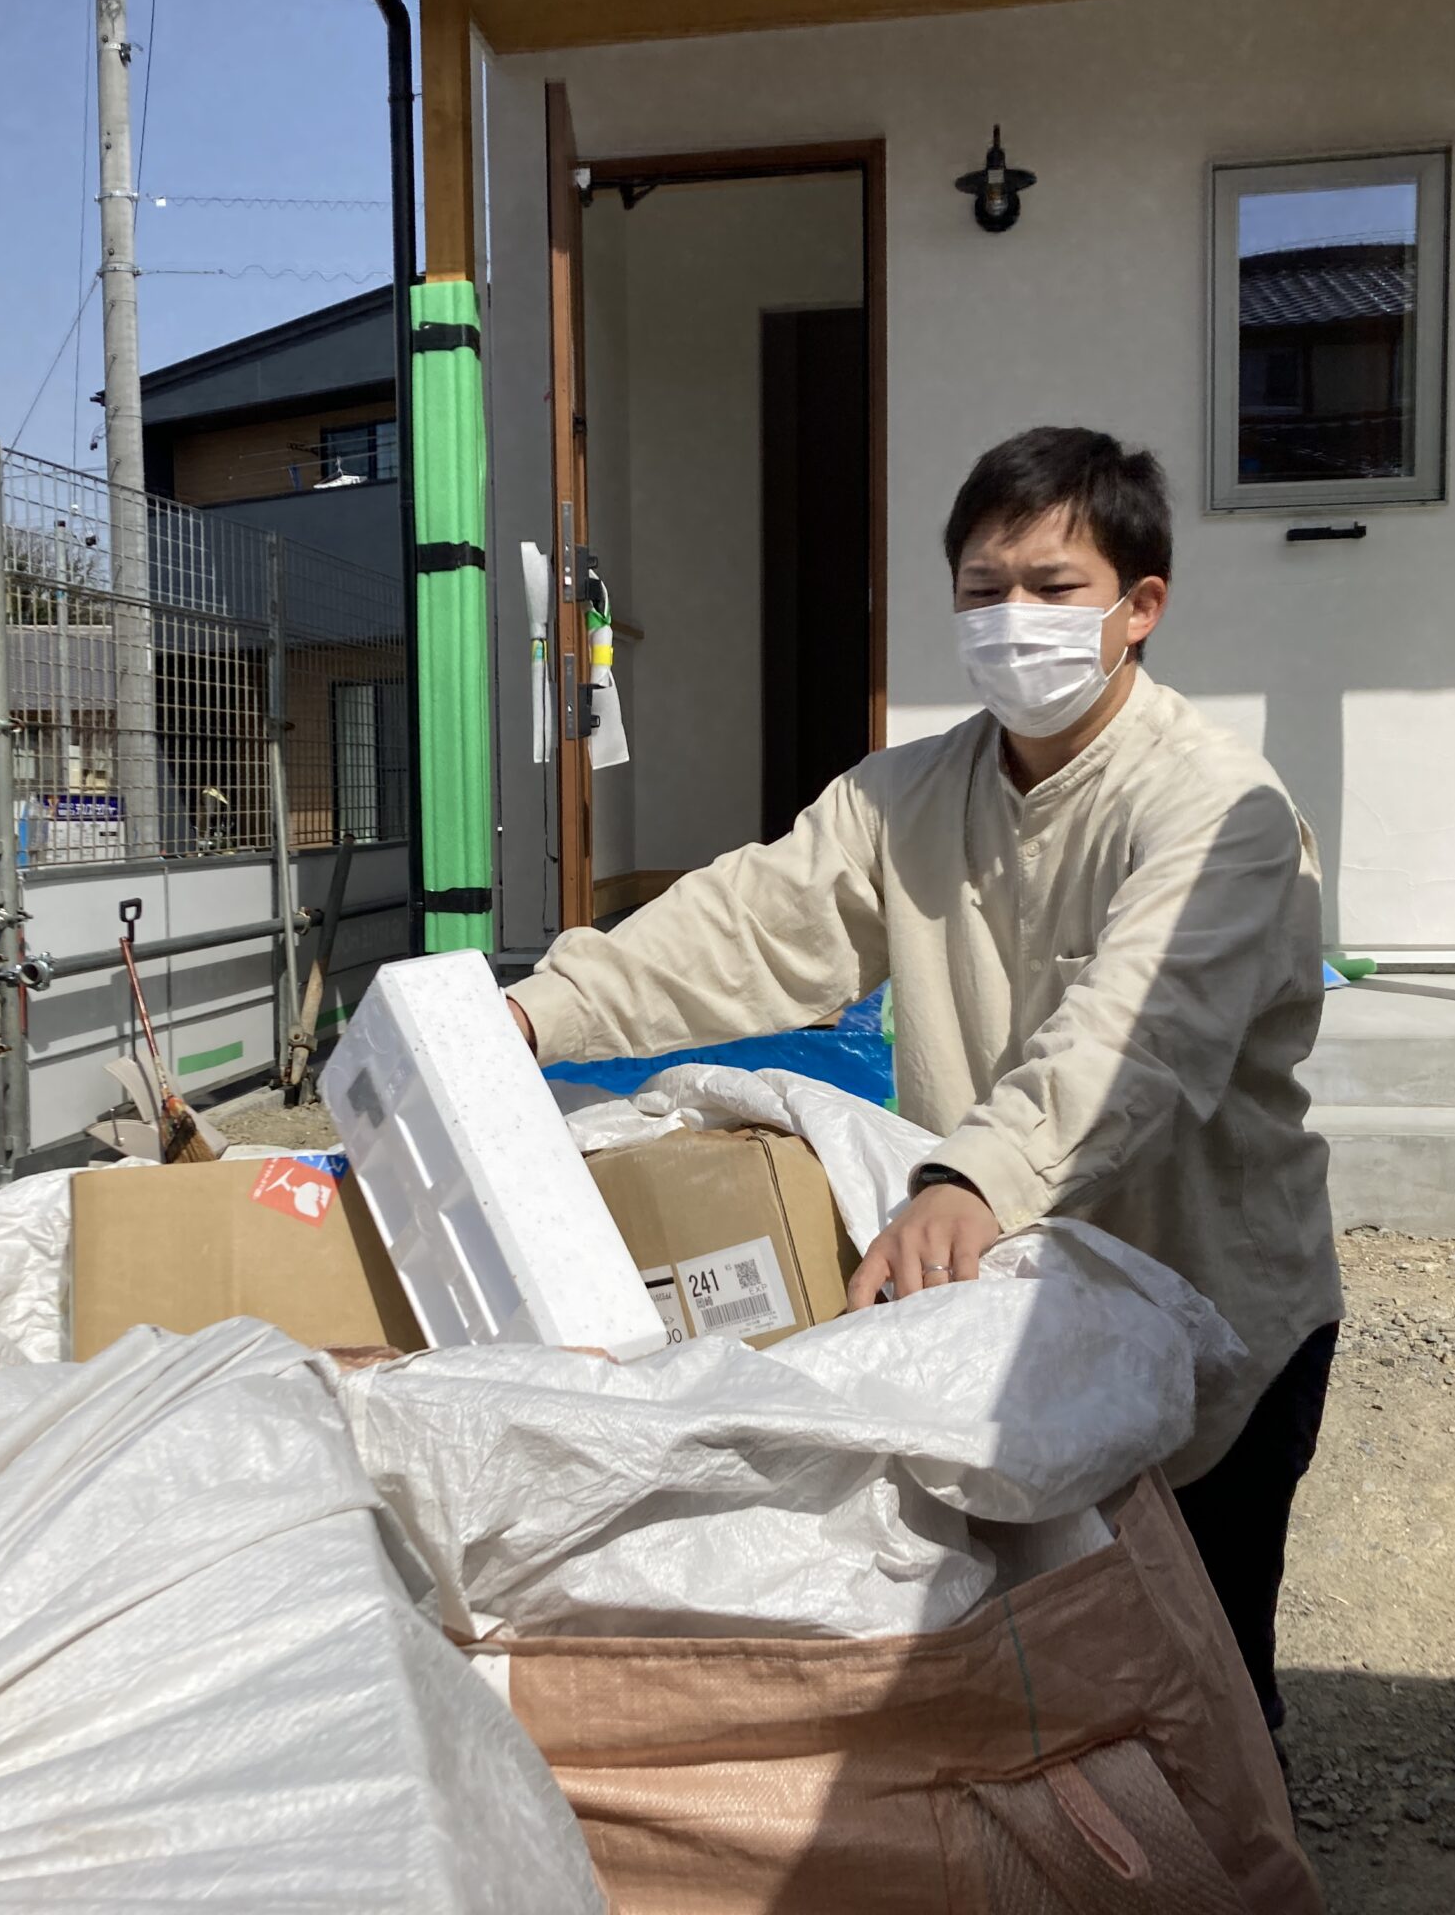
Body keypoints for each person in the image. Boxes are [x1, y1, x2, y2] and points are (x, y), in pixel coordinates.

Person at [503, 426, 1343, 1732]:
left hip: (1213, 1302)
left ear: (1140, 609)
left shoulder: (1212, 809)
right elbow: (746, 925)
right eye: (982, 588)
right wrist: (538, 1014)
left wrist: (969, 1175)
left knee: (1205, 1683)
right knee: (1043, 1662)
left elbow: (1141, 1033)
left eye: (1054, 589)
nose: (1014, 620)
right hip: (1005, 1300)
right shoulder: (909, 798)